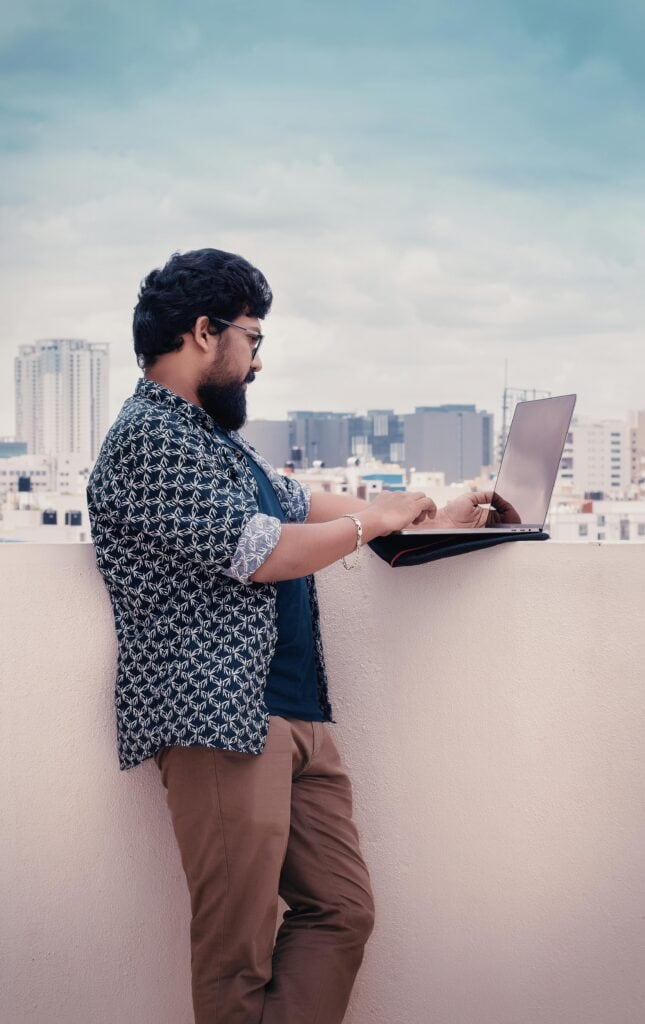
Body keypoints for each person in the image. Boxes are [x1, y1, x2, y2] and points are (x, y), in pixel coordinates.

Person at [86, 247, 498, 1024]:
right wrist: (369, 522)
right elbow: (262, 551)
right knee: (235, 950)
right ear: (204, 332)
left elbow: (299, 502)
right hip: (217, 719)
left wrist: (424, 515)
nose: (258, 361)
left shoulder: (212, 439)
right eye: (253, 337)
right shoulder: (148, 437)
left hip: (292, 713)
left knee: (342, 911)